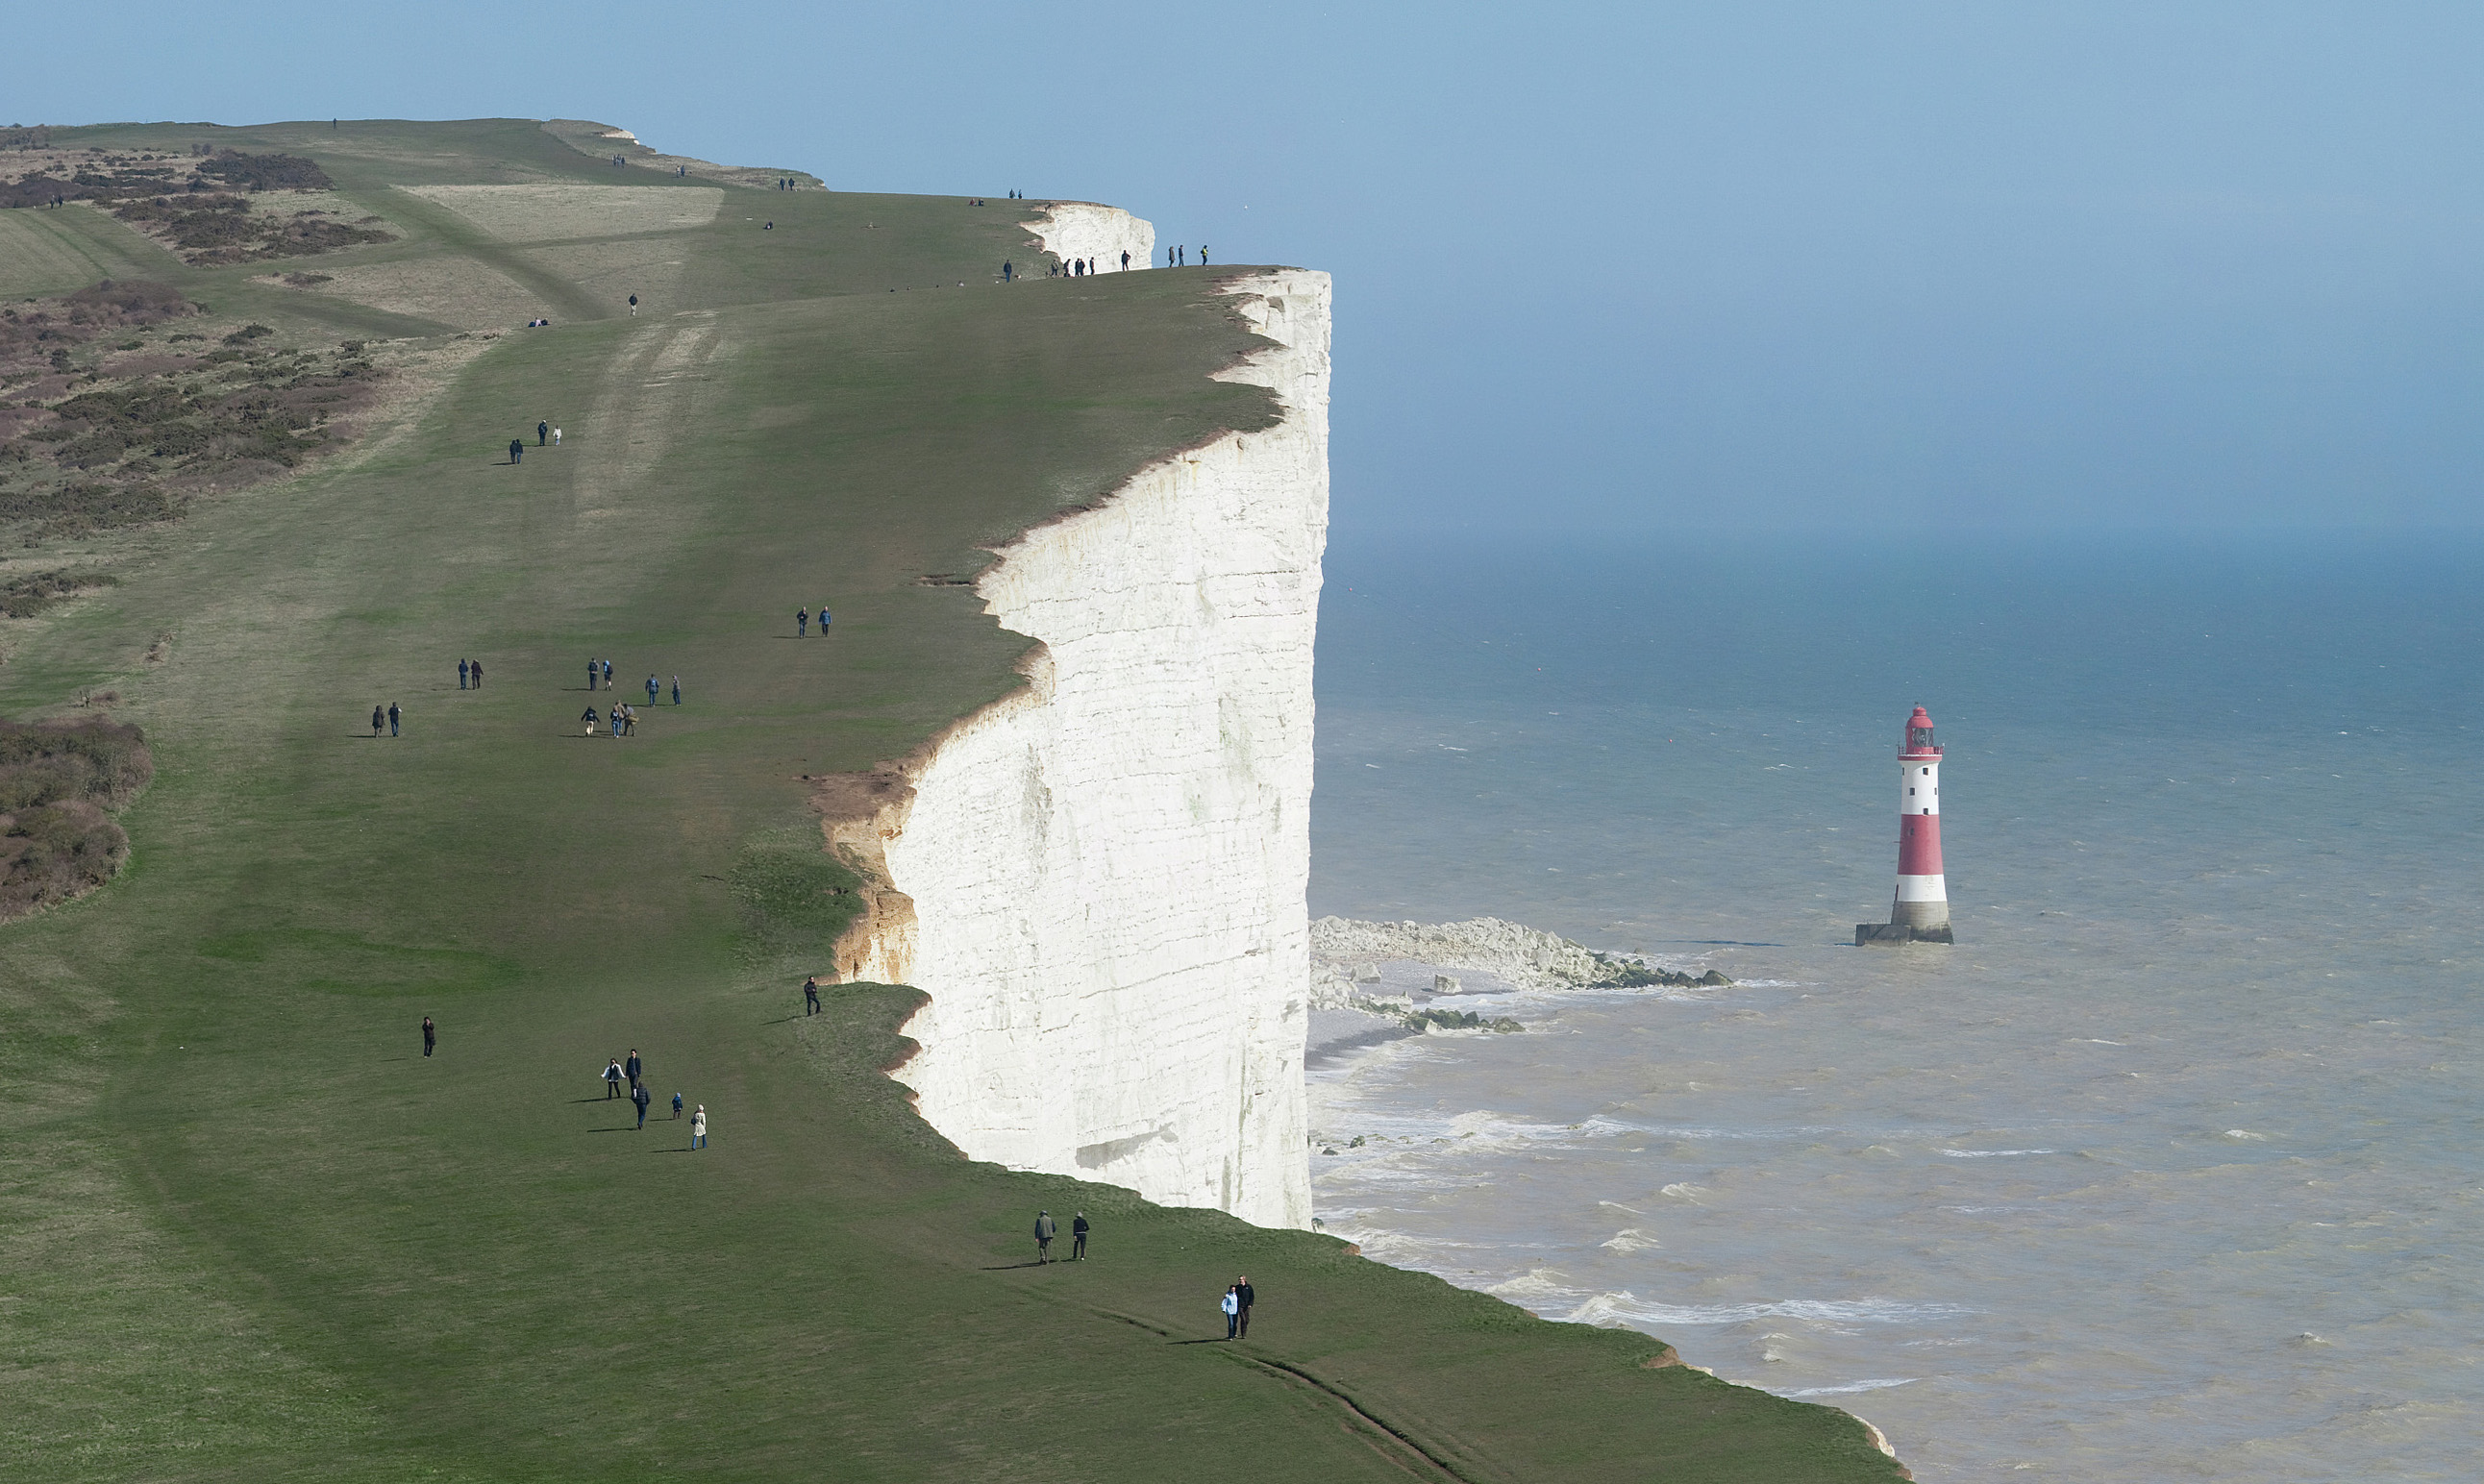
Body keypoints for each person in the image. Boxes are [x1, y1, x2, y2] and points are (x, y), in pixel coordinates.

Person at [1235, 1274, 1255, 1338]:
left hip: (1247, 1306)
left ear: (1244, 1279)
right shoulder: (1237, 1287)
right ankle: (1243, 1334)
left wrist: (1250, 1304)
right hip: (1240, 1306)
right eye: (1239, 1279)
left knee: (1247, 1320)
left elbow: (1252, 1296)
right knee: (1243, 1319)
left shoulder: (1249, 1287)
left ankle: (1243, 1329)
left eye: (1241, 1279)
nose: (1240, 1281)